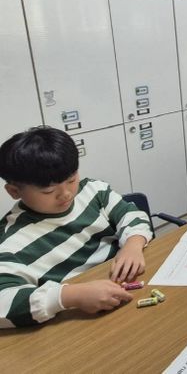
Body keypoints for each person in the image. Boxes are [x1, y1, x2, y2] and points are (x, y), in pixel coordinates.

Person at [0, 127, 153, 328]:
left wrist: (133, 244)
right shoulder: (10, 242)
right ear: (14, 191)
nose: (66, 194)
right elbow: (4, 302)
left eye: (71, 180)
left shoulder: (93, 191)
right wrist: (71, 296)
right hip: (81, 320)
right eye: (48, 191)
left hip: (127, 289)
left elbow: (132, 215)